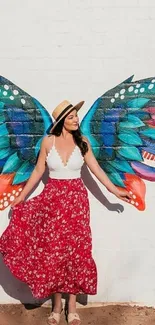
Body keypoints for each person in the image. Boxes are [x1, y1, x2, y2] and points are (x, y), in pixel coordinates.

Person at [0, 100, 131, 325]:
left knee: (76, 253)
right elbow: (39, 169)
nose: (75, 119)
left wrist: (114, 191)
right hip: (52, 201)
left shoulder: (83, 143)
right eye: (71, 116)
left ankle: (72, 308)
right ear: (61, 120)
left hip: (77, 203)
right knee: (55, 253)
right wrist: (22, 196)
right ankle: (56, 307)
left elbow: (96, 169)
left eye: (76, 116)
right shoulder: (48, 142)